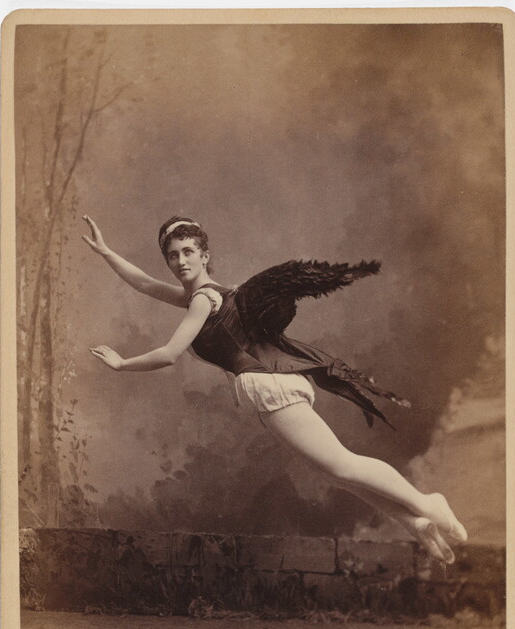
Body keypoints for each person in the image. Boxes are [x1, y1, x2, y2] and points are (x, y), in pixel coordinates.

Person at [83, 214, 467, 564]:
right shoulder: (203, 295)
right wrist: (106, 253)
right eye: (172, 256)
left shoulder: (202, 300)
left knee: (341, 463)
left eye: (188, 252)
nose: (180, 261)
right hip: (266, 389)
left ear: (205, 255)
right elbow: (145, 284)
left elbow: (169, 354)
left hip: (268, 387)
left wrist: (122, 364)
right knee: (335, 471)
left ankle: (426, 502)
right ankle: (413, 523)